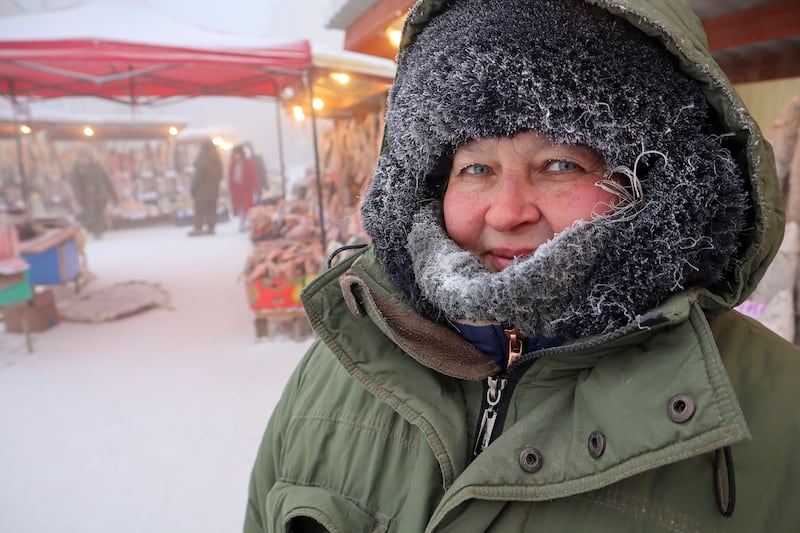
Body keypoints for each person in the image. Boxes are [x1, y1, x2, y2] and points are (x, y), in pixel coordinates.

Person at [244, 0, 800, 531]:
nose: (507, 212)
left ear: (654, 184)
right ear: (429, 184)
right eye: (476, 168)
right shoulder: (344, 361)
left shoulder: (776, 408)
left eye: (559, 164)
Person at [70, 148, 117, 238]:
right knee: (90, 215)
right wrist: (79, 197)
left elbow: (106, 181)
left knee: (100, 214)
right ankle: (90, 231)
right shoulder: (79, 166)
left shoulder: (99, 165)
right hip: (88, 195)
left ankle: (98, 232)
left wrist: (113, 195)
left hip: (101, 194)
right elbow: (75, 184)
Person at [188, 139, 223, 236]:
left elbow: (199, 176)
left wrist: (193, 188)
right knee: (211, 209)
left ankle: (198, 228)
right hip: (214, 190)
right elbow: (220, 175)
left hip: (202, 191)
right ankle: (211, 227)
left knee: (199, 210)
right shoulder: (217, 159)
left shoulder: (203, 159)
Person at [228, 144, 259, 232]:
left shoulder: (249, 163)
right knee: (240, 208)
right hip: (237, 190)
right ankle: (242, 224)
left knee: (248, 208)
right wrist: (231, 188)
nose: (236, 156)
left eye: (238, 154)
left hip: (247, 189)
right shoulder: (232, 164)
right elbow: (231, 177)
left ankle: (249, 224)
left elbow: (253, 175)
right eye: (235, 154)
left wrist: (254, 187)